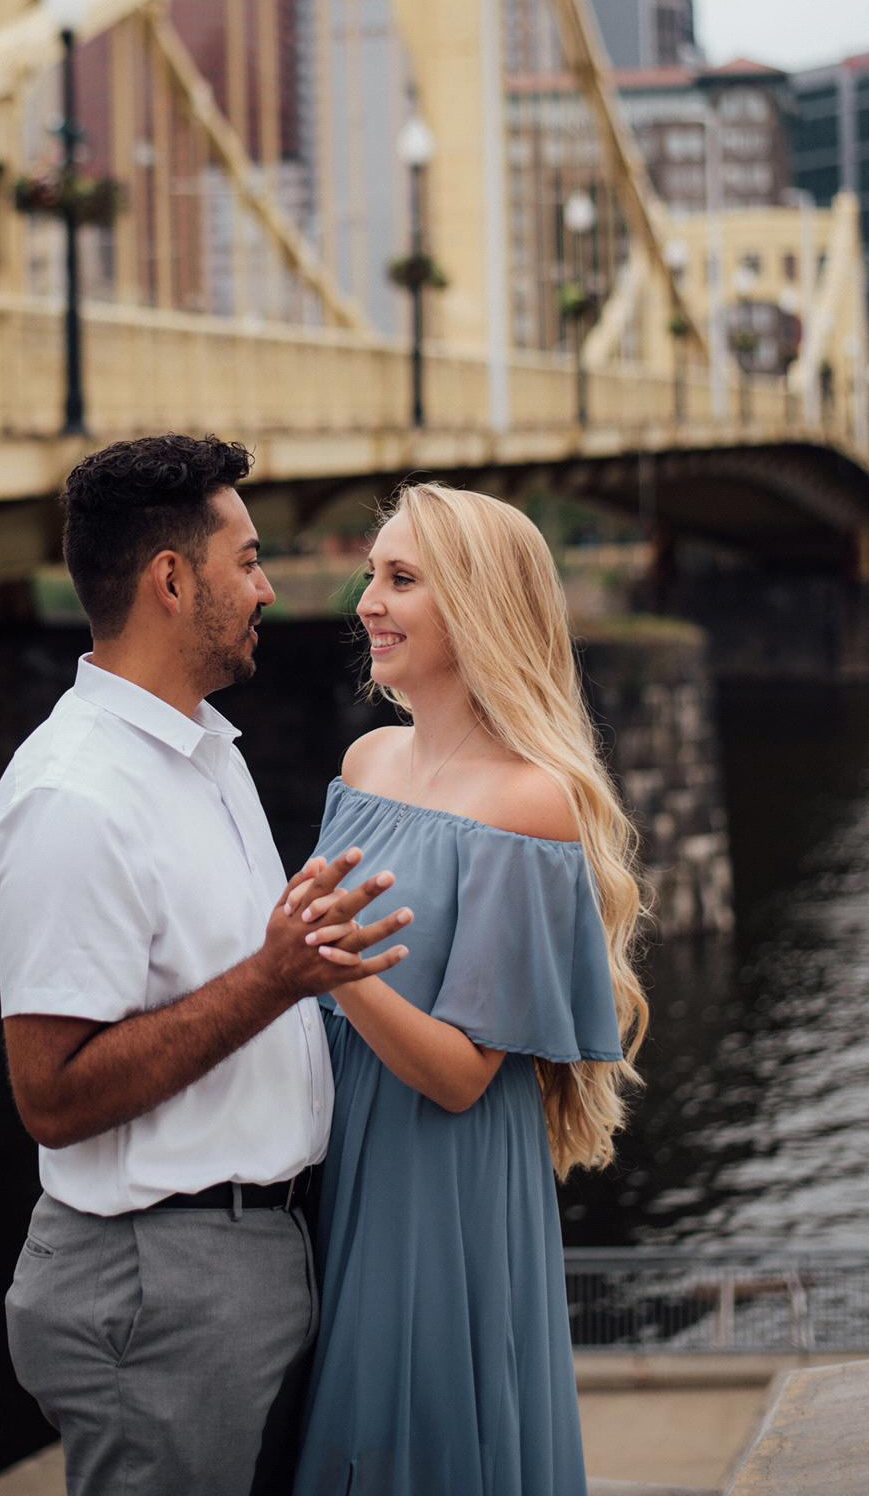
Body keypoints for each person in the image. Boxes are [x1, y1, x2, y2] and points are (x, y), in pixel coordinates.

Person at [0, 433, 414, 1496]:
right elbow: (51, 1094)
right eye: (249, 559)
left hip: (245, 1252)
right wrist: (274, 976)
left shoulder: (198, 748)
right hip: (159, 1279)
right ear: (172, 579)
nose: (268, 586)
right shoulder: (74, 795)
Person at [288, 481, 649, 1496]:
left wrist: (329, 967)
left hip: (436, 1173)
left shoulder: (528, 800)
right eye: (371, 572)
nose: (367, 599)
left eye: (400, 577)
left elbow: (460, 1074)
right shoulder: (364, 761)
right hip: (334, 1143)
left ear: (479, 605)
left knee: (411, 1435)